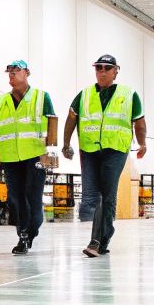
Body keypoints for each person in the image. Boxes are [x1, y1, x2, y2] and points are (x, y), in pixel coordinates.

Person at [62, 54, 146, 258]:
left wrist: (142, 144)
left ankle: (97, 240)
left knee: (106, 194)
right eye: (98, 67)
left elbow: (139, 123)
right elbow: (71, 118)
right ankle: (105, 234)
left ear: (116, 71)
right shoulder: (84, 95)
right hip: (90, 150)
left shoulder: (128, 94)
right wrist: (65, 143)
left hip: (115, 150)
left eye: (107, 68)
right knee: (92, 194)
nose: (102, 71)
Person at [0, 59, 57, 254]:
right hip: (10, 158)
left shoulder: (41, 97)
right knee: (16, 198)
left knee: (33, 196)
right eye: (9, 72)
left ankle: (31, 230)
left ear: (27, 73)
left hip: (35, 157)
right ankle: (22, 235)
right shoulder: (1, 101)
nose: (12, 74)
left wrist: (52, 150)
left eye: (16, 70)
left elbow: (52, 123)